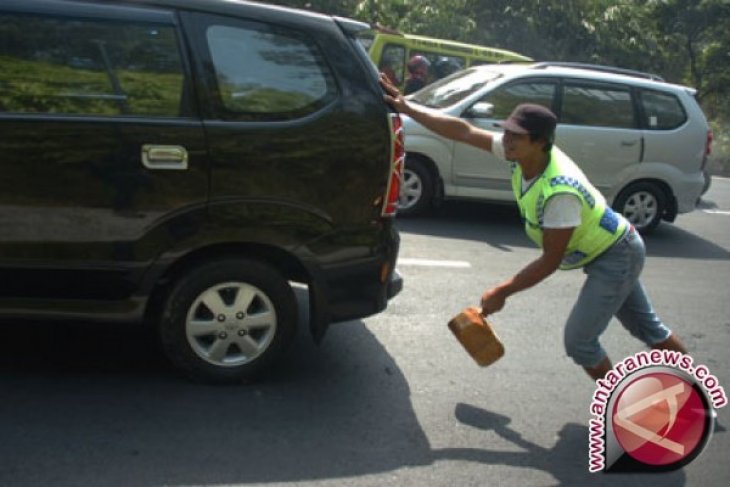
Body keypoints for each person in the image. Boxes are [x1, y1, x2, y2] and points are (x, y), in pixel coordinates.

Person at [379, 73, 688, 381]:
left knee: (580, 342)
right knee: (647, 327)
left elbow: (550, 260)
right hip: (613, 244)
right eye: (507, 132)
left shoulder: (559, 193)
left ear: (540, 142)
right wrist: (408, 108)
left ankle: (623, 408)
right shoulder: (525, 154)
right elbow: (463, 131)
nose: (507, 140)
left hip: (616, 254)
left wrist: (503, 291)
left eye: (517, 136)